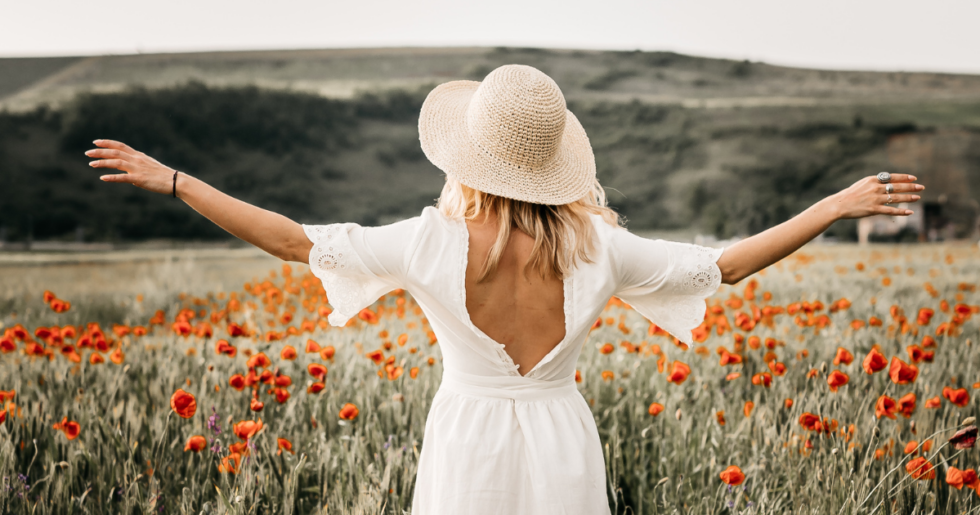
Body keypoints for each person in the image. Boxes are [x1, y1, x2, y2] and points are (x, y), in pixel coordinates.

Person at [86, 64, 923, 514]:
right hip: (563, 436)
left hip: (469, 438)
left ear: (465, 156)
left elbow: (290, 239)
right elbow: (727, 263)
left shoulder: (429, 242)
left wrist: (176, 182)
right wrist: (837, 204)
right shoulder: (601, 248)